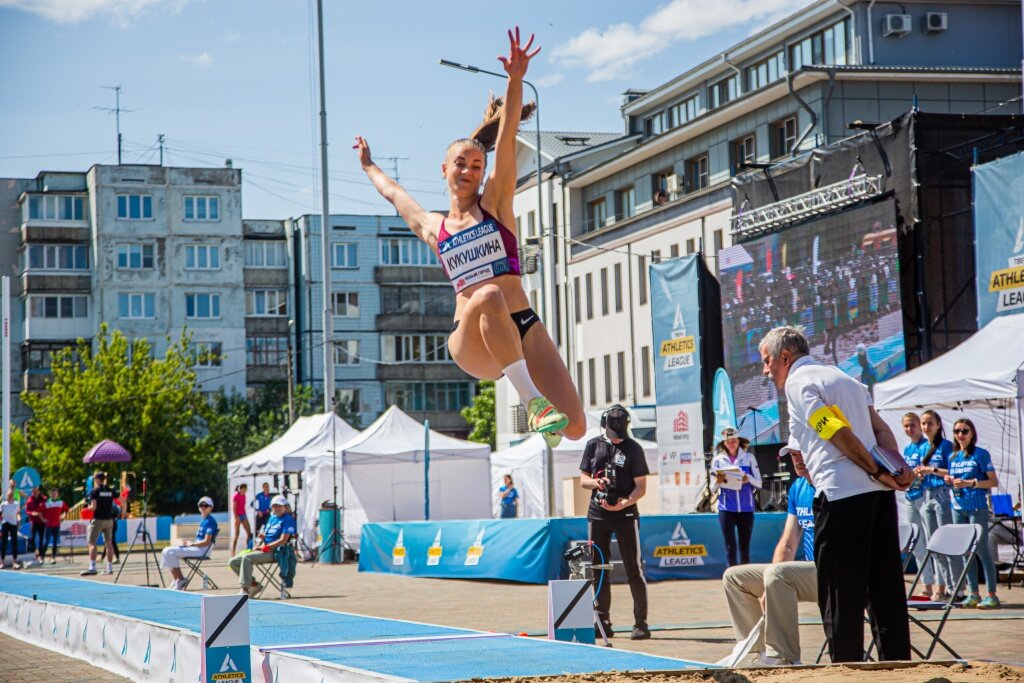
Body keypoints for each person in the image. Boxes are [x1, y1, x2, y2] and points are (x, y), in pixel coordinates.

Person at [355, 27, 584, 448]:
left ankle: (543, 412)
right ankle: (532, 402)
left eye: (478, 165)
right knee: (487, 296)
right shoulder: (433, 227)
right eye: (460, 163)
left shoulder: (495, 206)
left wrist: (516, 79)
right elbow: (393, 194)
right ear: (444, 169)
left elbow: (510, 132)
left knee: (575, 428)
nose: (469, 171)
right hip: (471, 337)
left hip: (521, 323)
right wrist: (369, 165)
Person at [759, 326, 913, 663]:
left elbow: (835, 432)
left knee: (841, 597)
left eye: (767, 361)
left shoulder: (799, 383)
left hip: (843, 497)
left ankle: (846, 669)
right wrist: (897, 471)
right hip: (879, 498)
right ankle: (900, 668)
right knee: (886, 592)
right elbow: (880, 429)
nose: (765, 370)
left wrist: (876, 469)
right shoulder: (845, 379)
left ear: (785, 357)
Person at [723, 447, 817, 666]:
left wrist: (773, 577)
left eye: (802, 453)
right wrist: (768, 583)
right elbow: (788, 542)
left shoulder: (829, 485)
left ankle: (784, 657)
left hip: (832, 570)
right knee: (734, 577)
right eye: (794, 455)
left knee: (778, 574)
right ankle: (760, 651)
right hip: (809, 571)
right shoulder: (798, 488)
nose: (798, 460)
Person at [579, 404, 650, 640]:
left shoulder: (634, 448)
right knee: (598, 568)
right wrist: (597, 484)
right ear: (605, 425)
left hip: (626, 515)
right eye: (614, 433)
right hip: (597, 514)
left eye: (621, 433)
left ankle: (641, 623)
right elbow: (583, 479)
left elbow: (641, 487)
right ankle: (602, 620)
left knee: (634, 568)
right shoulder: (593, 445)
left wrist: (623, 503)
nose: (617, 438)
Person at [944, 418, 1000, 609]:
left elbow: (993, 481)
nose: (960, 435)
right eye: (957, 431)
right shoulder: (953, 457)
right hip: (958, 506)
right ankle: (973, 593)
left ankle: (992, 594)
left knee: (982, 549)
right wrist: (949, 480)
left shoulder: (980, 454)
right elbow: (954, 478)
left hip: (977, 506)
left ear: (972, 433)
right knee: (965, 551)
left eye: (965, 431)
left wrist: (971, 483)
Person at [911, 410, 961, 600]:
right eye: (923, 423)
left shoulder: (947, 446)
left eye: (930, 423)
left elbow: (952, 470)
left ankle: (956, 587)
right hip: (926, 494)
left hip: (942, 494)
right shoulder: (924, 447)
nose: (926, 427)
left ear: (939, 425)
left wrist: (931, 470)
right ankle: (942, 586)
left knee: (947, 542)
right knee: (934, 544)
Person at [900, 412, 942, 599]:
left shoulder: (928, 447)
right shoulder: (907, 449)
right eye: (906, 426)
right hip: (910, 497)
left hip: (925, 496)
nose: (910, 429)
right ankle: (926, 583)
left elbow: (928, 472)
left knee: (932, 540)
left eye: (913, 425)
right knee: (917, 542)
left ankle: (941, 584)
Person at [711, 426, 763, 566]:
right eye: (728, 442)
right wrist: (718, 482)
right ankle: (731, 577)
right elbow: (712, 489)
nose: (731, 444)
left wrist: (749, 479)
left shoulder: (749, 458)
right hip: (726, 509)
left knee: (744, 547)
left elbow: (759, 483)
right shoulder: (718, 461)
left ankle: (745, 578)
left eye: (734, 440)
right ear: (724, 443)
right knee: (730, 547)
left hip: (746, 509)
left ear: (739, 441)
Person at [229, 495, 295, 600]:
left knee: (247, 558)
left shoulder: (287, 519)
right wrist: (260, 543)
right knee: (233, 562)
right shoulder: (272, 518)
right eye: (274, 506)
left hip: (276, 552)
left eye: (279, 506)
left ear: (285, 507)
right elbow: (267, 537)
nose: (277, 508)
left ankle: (244, 589)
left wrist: (265, 547)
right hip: (265, 548)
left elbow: (283, 540)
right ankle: (254, 585)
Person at [162, 496, 218, 591]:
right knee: (166, 550)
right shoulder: (205, 520)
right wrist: (189, 543)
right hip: (198, 548)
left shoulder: (210, 522)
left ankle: (180, 580)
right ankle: (177, 579)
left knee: (169, 551)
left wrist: (191, 544)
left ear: (211, 507)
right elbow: (200, 540)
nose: (203, 507)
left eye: (206, 505)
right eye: (201, 505)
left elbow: (207, 542)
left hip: (202, 550)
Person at [80, 471, 117, 576]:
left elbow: (93, 507)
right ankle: (109, 568)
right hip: (109, 519)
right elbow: (118, 499)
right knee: (109, 543)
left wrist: (86, 506)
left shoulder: (94, 491)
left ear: (96, 479)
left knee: (92, 543)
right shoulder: (110, 490)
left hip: (98, 519)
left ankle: (92, 567)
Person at [41, 487, 68, 564]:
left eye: (55, 494)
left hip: (57, 525)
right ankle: (42, 557)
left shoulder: (61, 503)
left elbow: (66, 510)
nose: (53, 495)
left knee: (55, 542)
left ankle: (53, 558)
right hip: (48, 525)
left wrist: (63, 516)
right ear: (50, 494)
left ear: (57, 494)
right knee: (46, 542)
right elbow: (39, 511)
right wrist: (43, 519)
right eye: (52, 494)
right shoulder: (46, 503)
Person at [25, 485, 47, 564]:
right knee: (32, 537)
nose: (34, 493)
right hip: (34, 521)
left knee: (41, 539)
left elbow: (47, 508)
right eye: (33, 492)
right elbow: (27, 511)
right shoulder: (30, 500)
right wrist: (32, 513)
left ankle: (41, 555)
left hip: (41, 521)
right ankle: (33, 553)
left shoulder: (44, 499)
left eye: (36, 491)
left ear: (39, 491)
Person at [0, 490, 20, 569]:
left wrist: (18, 519)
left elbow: (18, 514)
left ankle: (14, 561)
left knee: (14, 542)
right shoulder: (3, 504)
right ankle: (2, 561)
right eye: (9, 495)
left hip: (13, 524)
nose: (10, 497)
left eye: (11, 495)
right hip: (5, 523)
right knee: (4, 542)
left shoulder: (16, 504)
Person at [231, 483, 252, 556]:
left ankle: (248, 549)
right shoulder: (236, 496)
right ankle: (233, 551)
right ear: (242, 489)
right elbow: (234, 508)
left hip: (244, 515)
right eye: (245, 489)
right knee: (237, 534)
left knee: (249, 532)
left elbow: (243, 506)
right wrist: (236, 517)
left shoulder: (244, 496)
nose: (246, 490)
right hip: (238, 516)